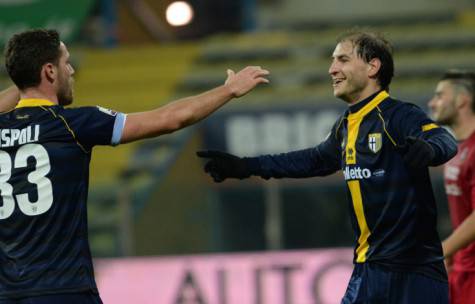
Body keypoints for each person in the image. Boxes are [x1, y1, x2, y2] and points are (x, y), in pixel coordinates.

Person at [0, 29, 269, 304]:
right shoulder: (74, 124)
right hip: (65, 292)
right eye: (65, 62)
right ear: (49, 71)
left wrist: (24, 77)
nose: (71, 71)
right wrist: (228, 90)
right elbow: (170, 119)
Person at [198, 30, 457, 303]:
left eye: (343, 60)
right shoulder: (346, 126)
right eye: (333, 61)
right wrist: (246, 166)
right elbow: (313, 160)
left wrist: (430, 150)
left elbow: (444, 139)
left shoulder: (397, 115)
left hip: (413, 271)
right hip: (370, 269)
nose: (332, 69)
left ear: (373, 66)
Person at [428, 70, 475, 304]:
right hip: (463, 269)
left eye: (439, 95)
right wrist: (454, 252)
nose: (432, 102)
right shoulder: (459, 150)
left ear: (461, 100)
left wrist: (444, 249)